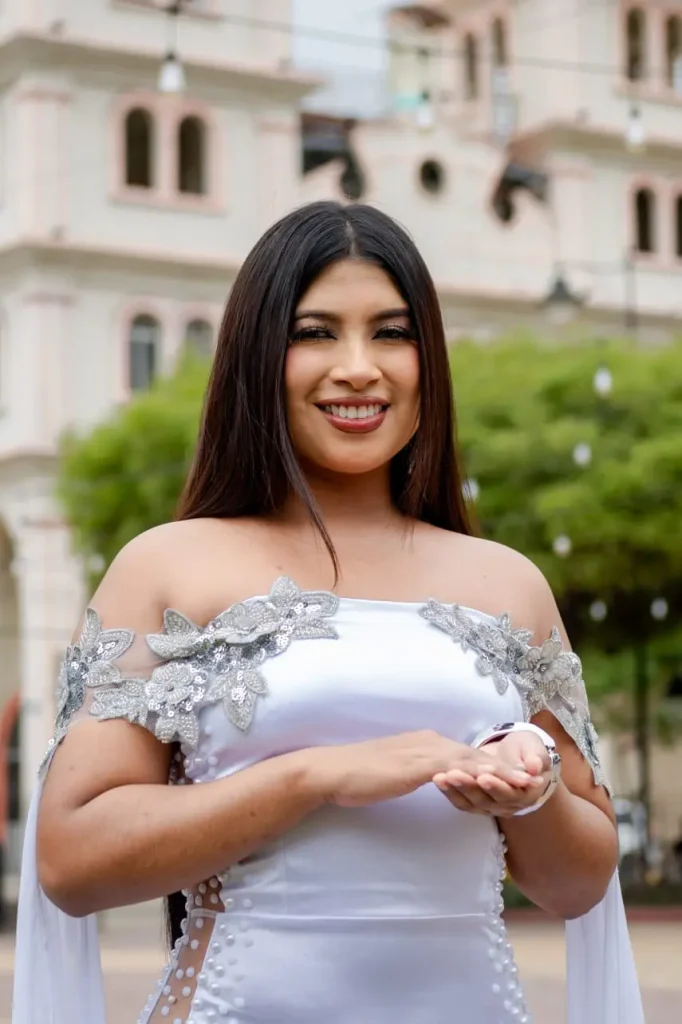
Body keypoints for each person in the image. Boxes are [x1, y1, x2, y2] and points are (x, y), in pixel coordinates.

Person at [13, 202, 643, 1024]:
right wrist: (317, 776)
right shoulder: (168, 566)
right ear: (256, 355)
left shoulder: (507, 583)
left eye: (391, 333)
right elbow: (71, 862)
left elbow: (578, 885)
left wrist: (531, 794)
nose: (358, 368)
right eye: (315, 333)